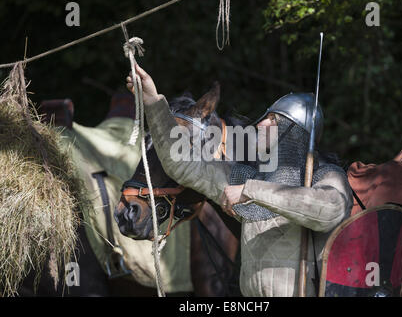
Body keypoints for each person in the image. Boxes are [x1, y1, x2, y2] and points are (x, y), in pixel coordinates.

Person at [126, 64, 353, 297]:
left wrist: (251, 191)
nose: (260, 124)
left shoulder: (326, 175)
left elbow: (329, 210)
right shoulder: (243, 176)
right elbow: (180, 163)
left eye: (273, 120)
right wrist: (153, 103)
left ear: (295, 131)